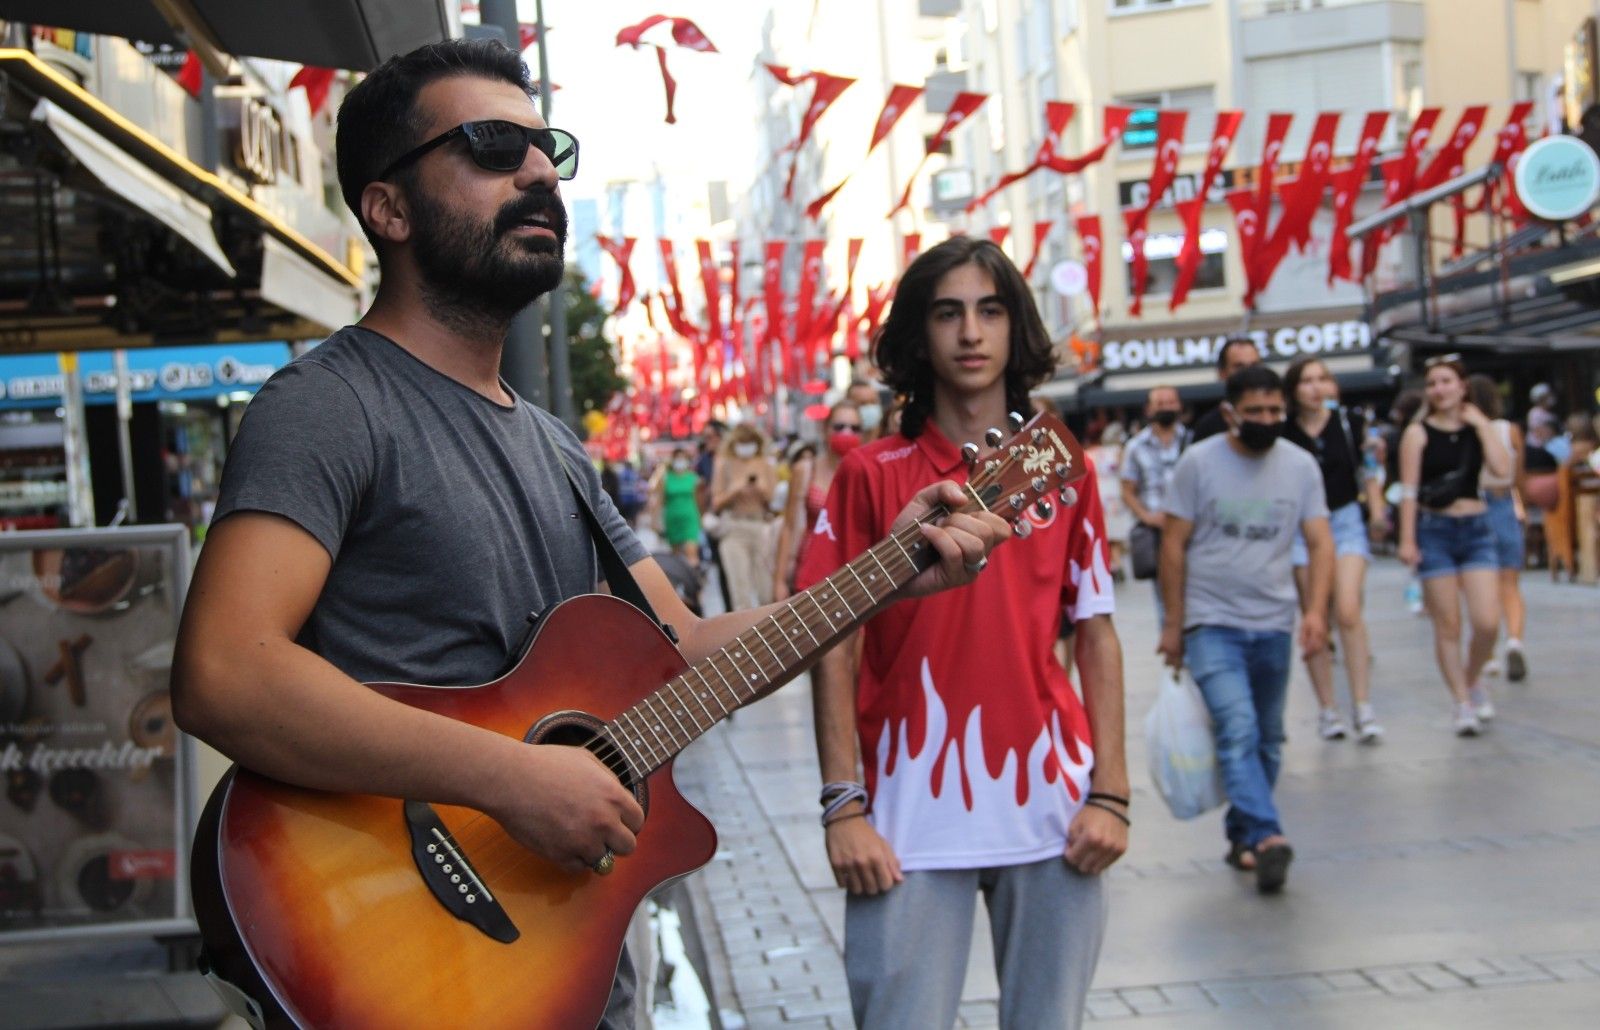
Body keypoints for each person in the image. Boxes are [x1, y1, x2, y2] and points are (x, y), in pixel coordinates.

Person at [167, 39, 1009, 1029]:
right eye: (492, 147)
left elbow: (684, 649)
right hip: (402, 955)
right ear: (387, 209)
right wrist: (514, 777)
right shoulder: (330, 406)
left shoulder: (555, 447)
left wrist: (888, 573)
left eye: (546, 149)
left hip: (562, 967)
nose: (536, 171)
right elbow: (225, 672)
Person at [797, 237, 1127, 1030]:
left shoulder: (1060, 468)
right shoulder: (871, 474)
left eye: (990, 311)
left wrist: (1111, 795)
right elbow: (829, 642)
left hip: (1054, 812)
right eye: (948, 313)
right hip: (900, 822)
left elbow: (1095, 630)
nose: (971, 332)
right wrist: (842, 806)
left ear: (1017, 327)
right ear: (919, 333)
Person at [1158, 363, 1332, 894]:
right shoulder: (1198, 463)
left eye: (1275, 410)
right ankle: (1267, 835)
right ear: (1229, 413)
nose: (1266, 419)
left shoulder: (1301, 466)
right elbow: (1173, 545)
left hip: (1274, 620)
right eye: (1254, 411)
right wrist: (1174, 624)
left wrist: (1316, 611)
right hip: (1212, 622)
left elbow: (1320, 541)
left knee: (1270, 739)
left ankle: (1243, 836)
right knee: (1239, 728)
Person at [1397, 355, 1512, 736]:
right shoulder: (1417, 433)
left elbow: (1502, 470)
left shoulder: (1477, 428)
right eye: (1432, 383)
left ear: (1463, 387)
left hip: (1476, 527)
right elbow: (1409, 491)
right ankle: (1462, 702)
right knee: (1448, 623)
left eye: (1446, 381)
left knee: (1487, 622)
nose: (1439, 389)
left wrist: (1481, 424)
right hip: (1435, 530)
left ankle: (1471, 677)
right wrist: (1408, 539)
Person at [1281, 358, 1384, 743]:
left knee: (1349, 609)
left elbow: (1369, 469)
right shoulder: (1285, 431)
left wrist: (1377, 510)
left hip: (1345, 519)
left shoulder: (1350, 423)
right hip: (1301, 526)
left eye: (1322, 378)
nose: (1315, 387)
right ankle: (1328, 708)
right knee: (1315, 615)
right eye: (1306, 380)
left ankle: (1363, 705)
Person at [1467, 375, 1530, 683]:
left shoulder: (1466, 432)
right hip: (1504, 503)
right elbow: (1519, 477)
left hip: (1475, 506)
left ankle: (1488, 654)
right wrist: (1522, 506)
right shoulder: (1509, 430)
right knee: (1510, 584)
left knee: (1481, 585)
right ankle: (1514, 641)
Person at [772, 401, 861, 601]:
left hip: (850, 569)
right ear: (825, 429)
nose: (847, 433)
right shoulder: (806, 469)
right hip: (810, 566)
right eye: (839, 427)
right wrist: (779, 581)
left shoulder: (866, 473)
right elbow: (789, 526)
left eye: (854, 428)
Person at [1120, 384, 1190, 621]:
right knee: (1165, 596)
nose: (1166, 408)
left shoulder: (1193, 441)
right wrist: (1147, 517)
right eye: (1161, 403)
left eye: (1171, 402)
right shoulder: (1136, 446)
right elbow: (1127, 490)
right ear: (1149, 409)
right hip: (1158, 532)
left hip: (1191, 530)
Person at [708, 422, 777, 611]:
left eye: (749, 441)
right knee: (740, 593)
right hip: (734, 528)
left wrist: (761, 488)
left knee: (766, 592)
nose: (746, 446)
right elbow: (716, 502)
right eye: (742, 442)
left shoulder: (765, 463)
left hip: (760, 527)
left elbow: (773, 500)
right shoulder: (724, 463)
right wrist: (735, 490)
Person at [1190, 336, 1263, 442]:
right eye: (1239, 367)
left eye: (1254, 366)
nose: (1249, 373)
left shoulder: (1280, 419)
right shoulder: (1208, 427)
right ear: (1222, 373)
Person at [651, 446, 702, 567]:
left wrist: (701, 517)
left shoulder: (693, 478)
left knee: (691, 551)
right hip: (672, 519)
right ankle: (680, 576)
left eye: (682, 458)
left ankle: (694, 576)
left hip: (690, 517)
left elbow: (698, 500)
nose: (680, 461)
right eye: (677, 458)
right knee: (676, 555)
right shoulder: (665, 478)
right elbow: (659, 500)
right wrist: (654, 520)